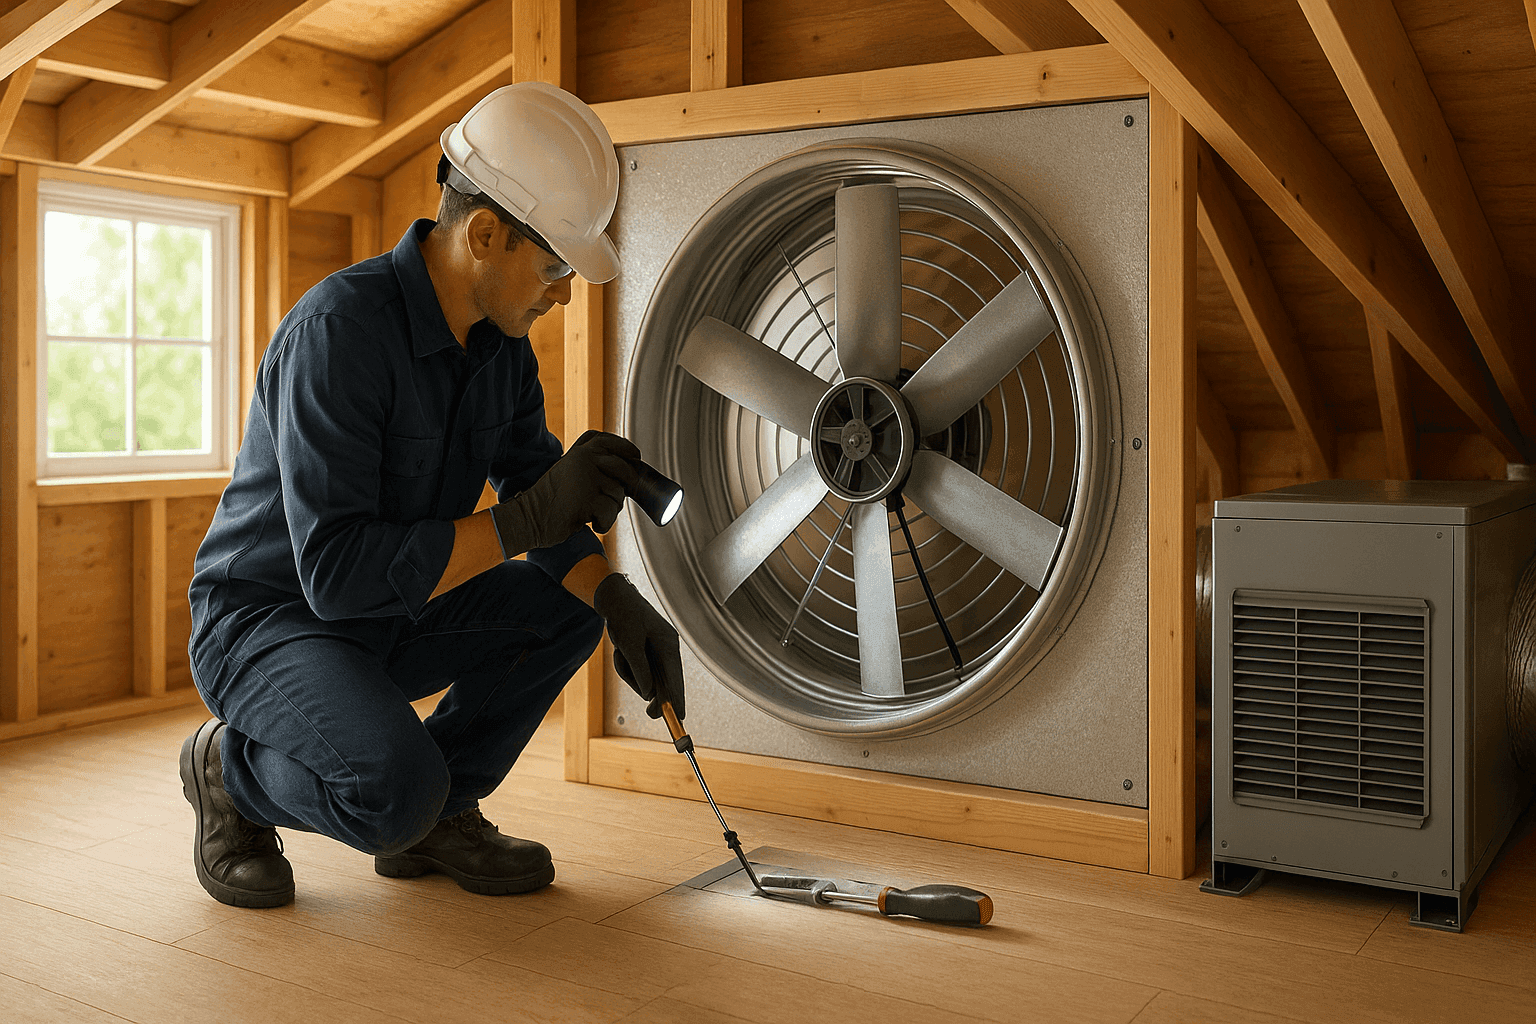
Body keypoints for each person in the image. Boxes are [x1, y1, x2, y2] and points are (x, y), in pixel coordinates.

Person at [180, 82, 684, 909]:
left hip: (394, 612)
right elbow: (337, 576)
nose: (563, 291)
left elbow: (534, 488)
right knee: (389, 796)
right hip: (271, 622)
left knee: (564, 607)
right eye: (554, 264)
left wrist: (616, 598)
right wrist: (526, 518)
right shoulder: (339, 333)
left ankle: (443, 812)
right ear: (484, 234)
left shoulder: (502, 348)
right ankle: (230, 774)